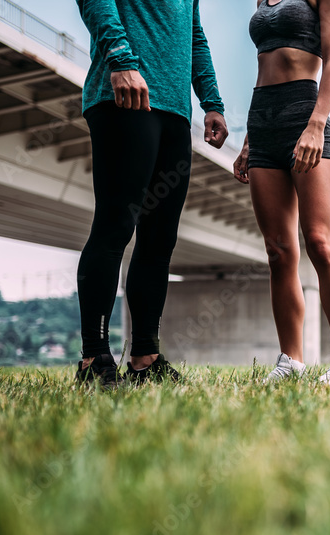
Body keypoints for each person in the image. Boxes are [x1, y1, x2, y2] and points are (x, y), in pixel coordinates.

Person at [74, 0, 229, 387]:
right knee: (114, 227)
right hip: (123, 96)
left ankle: (145, 358)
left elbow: (194, 34)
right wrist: (120, 60)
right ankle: (93, 357)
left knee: (160, 239)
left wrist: (211, 100)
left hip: (175, 109)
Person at [233, 0, 330, 387]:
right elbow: (264, 65)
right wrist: (251, 139)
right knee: (278, 251)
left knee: (319, 240)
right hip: (262, 120)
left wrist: (316, 124)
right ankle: (291, 361)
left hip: (306, 114)